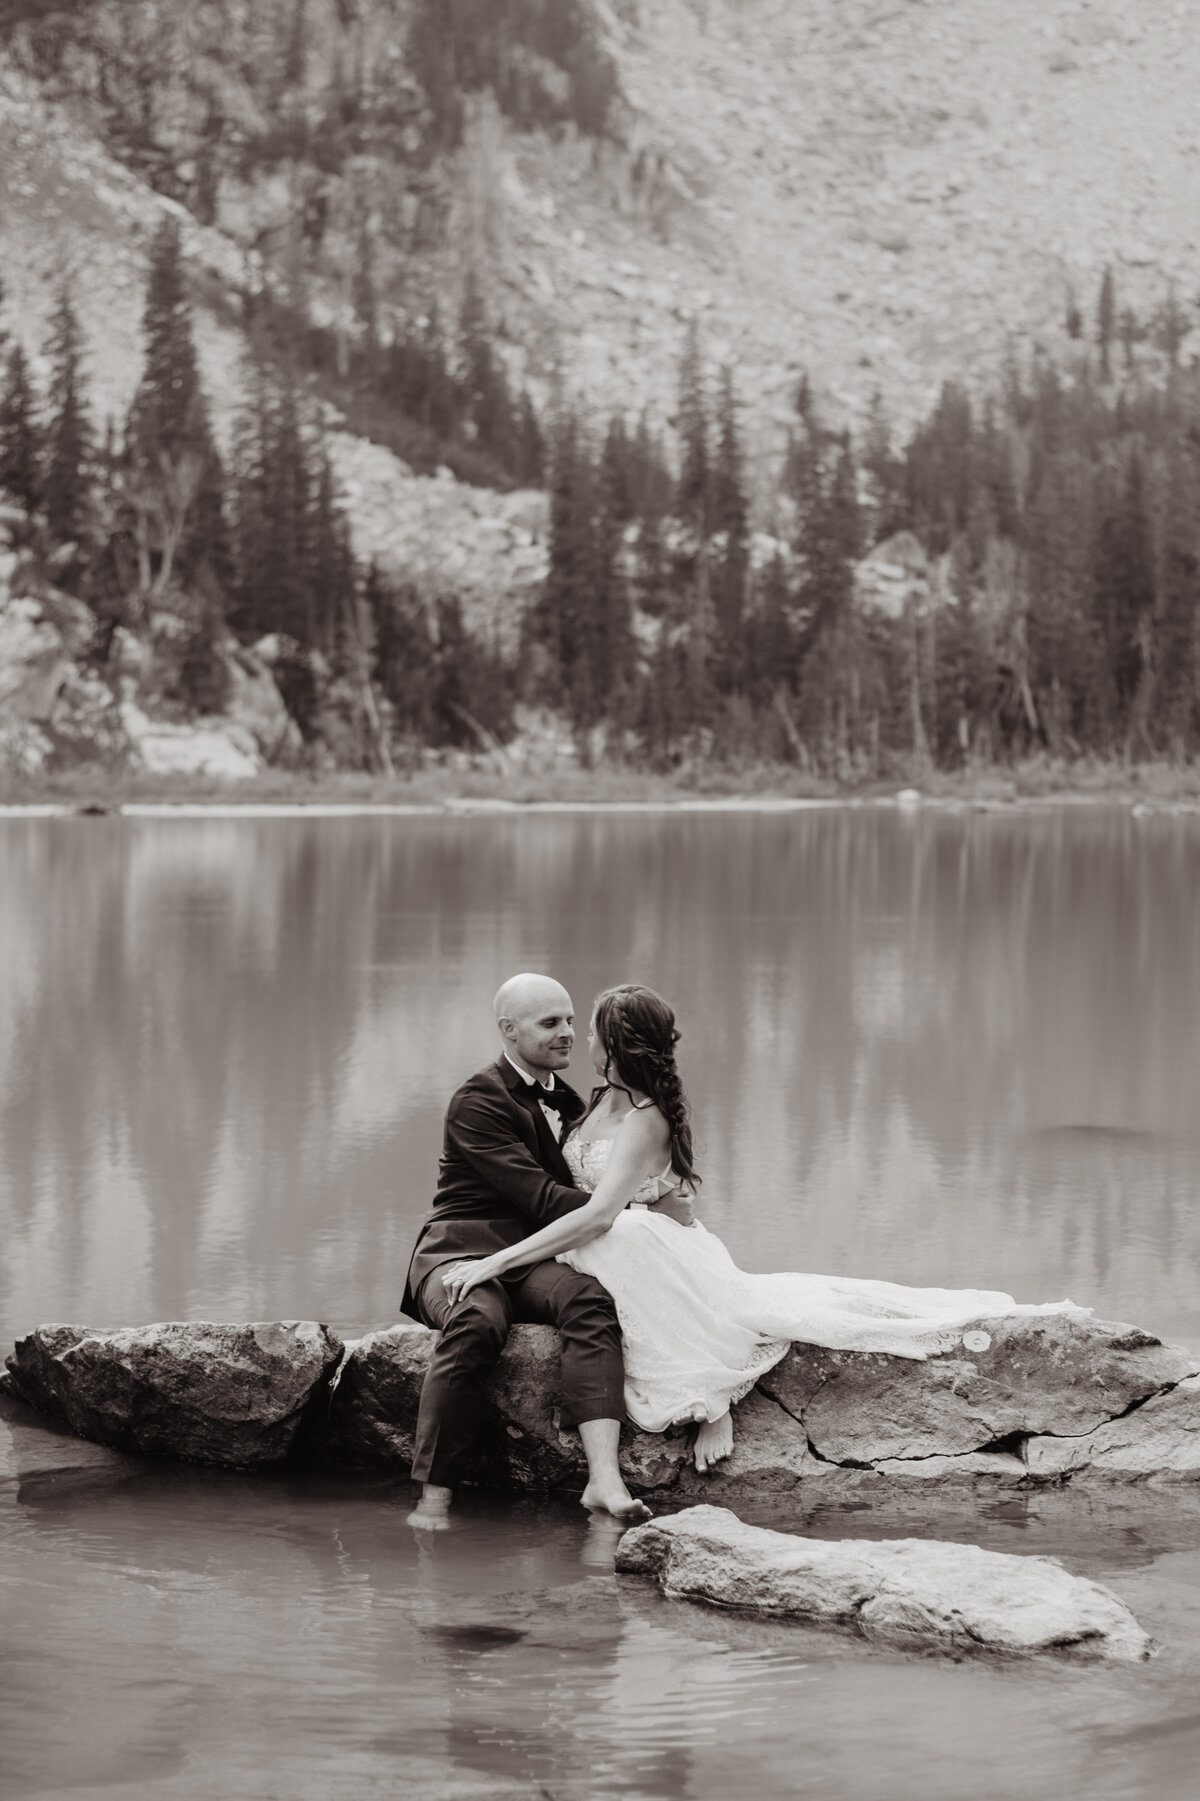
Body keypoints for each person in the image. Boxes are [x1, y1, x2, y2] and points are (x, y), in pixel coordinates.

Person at [441, 983, 1086, 1474]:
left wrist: (497, 1262)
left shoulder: (644, 1116)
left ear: (617, 1044)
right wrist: (662, 1198)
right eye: (559, 1024)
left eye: (587, 1031)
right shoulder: (594, 1100)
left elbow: (600, 1212)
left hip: (625, 1240)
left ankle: (714, 1397)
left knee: (622, 1240)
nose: (577, 1038)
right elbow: (628, 1193)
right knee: (619, 1241)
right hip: (630, 1237)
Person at [400, 971, 695, 1529]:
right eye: (549, 1023)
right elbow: (544, 1199)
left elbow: (601, 1184)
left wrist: (648, 1199)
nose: (566, 1033)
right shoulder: (477, 1099)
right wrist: (644, 1211)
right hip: (461, 1254)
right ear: (509, 1030)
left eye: (569, 1021)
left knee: (589, 1302)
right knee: (477, 1320)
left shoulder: (572, 1099)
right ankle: (433, 1499)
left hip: (536, 1258)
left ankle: (602, 1479)